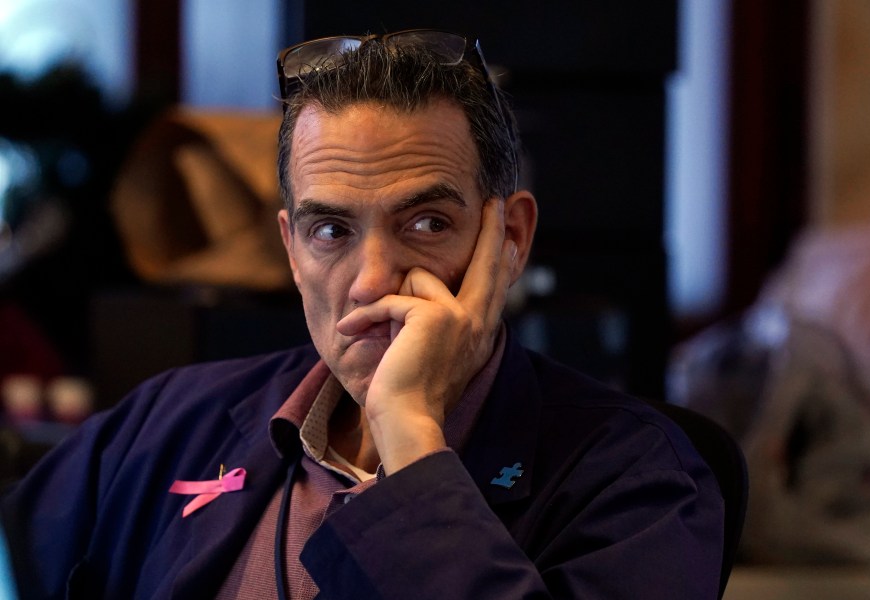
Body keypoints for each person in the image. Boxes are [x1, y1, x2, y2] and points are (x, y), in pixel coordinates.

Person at [0, 30, 724, 599]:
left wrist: (409, 432)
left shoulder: (638, 480)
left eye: (427, 224)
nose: (372, 280)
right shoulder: (170, 420)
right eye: (331, 231)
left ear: (509, 239)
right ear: (290, 249)